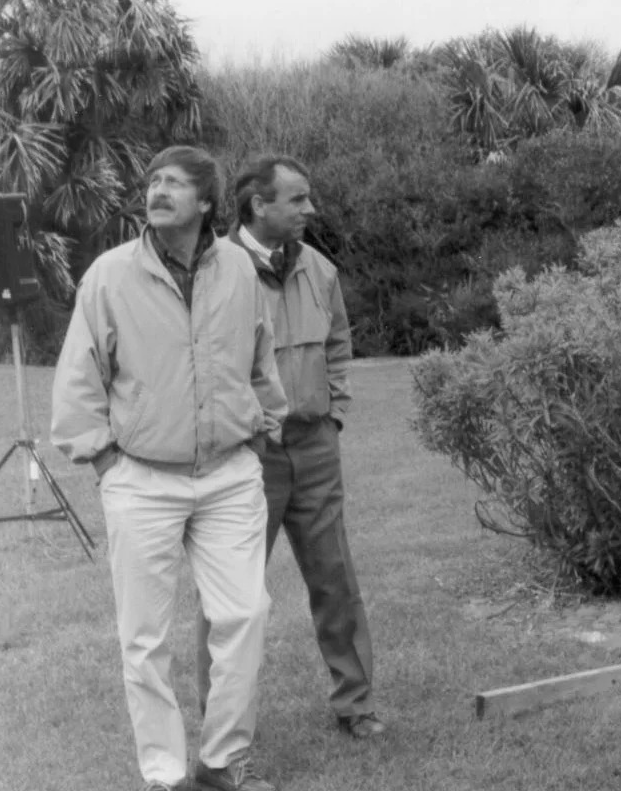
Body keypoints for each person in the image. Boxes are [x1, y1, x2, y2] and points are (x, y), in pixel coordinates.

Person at [51, 146, 287, 791]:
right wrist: (104, 460)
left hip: (230, 475)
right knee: (145, 639)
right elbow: (79, 375)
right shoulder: (109, 275)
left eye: (176, 183)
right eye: (154, 181)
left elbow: (261, 356)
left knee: (245, 614)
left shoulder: (238, 269)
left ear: (207, 202)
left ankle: (222, 762)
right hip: (141, 480)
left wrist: (263, 428)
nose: (158, 191)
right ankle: (163, 775)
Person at [195, 154, 384, 740]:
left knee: (335, 580)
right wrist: (242, 435)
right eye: (297, 199)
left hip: (316, 446)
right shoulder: (211, 271)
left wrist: (335, 415)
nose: (310, 209)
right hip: (248, 455)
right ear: (258, 204)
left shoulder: (319, 269)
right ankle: (222, 725)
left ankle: (356, 704)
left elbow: (338, 344)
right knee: (231, 595)